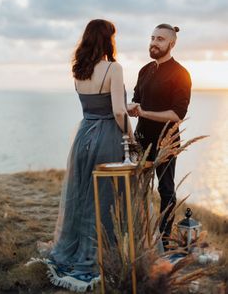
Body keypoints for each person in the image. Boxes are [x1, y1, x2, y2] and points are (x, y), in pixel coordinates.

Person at [45, 19, 134, 291]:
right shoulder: (113, 68)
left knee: (83, 195)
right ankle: (99, 255)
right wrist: (130, 138)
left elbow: (95, 106)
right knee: (106, 197)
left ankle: (76, 251)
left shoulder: (78, 71)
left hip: (83, 136)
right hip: (107, 137)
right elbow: (118, 112)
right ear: (108, 39)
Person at [128, 23, 191, 249]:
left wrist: (144, 112)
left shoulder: (181, 74)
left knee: (165, 190)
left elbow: (177, 114)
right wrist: (129, 108)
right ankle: (139, 235)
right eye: (153, 38)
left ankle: (163, 242)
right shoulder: (144, 70)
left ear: (172, 44)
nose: (154, 43)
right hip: (141, 139)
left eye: (160, 39)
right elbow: (137, 101)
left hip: (167, 141)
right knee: (136, 189)